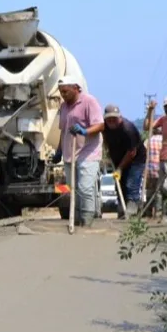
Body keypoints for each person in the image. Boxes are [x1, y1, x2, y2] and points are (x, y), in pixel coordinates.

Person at [56, 75, 104, 227]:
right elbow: (63, 131)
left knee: (85, 188)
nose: (63, 95)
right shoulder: (63, 107)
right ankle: (76, 220)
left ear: (76, 88)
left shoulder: (89, 101)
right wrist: (59, 151)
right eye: (61, 92)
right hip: (69, 154)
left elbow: (100, 125)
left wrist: (84, 131)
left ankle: (87, 220)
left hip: (88, 152)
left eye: (65, 91)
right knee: (74, 189)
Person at [101, 104, 145, 218]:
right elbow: (105, 139)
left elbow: (132, 152)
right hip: (118, 158)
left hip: (136, 160)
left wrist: (120, 168)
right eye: (109, 119)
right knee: (119, 184)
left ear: (119, 117)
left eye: (114, 119)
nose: (111, 121)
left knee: (131, 183)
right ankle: (122, 207)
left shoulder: (128, 129)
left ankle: (132, 207)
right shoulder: (105, 127)